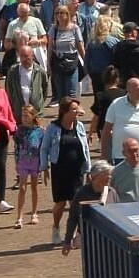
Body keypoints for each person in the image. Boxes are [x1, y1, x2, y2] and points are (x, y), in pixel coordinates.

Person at [43, 99, 92, 246]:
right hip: (60, 169)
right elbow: (44, 148)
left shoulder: (80, 126)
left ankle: (77, 234)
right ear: (65, 111)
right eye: (73, 109)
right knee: (60, 203)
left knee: (76, 203)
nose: (77, 112)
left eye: (77, 109)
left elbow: (86, 149)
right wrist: (44, 167)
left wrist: (88, 169)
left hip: (77, 170)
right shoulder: (53, 127)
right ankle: (56, 227)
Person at [59, 160, 114, 254]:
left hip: (109, 238)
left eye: (110, 174)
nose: (109, 177)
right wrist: (67, 241)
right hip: (89, 239)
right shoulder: (82, 193)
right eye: (106, 174)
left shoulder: (112, 192)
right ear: (95, 177)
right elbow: (73, 218)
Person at [102, 75, 139, 165]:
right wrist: (104, 154)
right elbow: (106, 131)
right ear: (129, 90)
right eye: (138, 89)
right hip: (120, 156)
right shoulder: (116, 105)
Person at [0, 73, 18, 213]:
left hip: (2, 132)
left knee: (1, 166)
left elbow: (8, 110)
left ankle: (2, 200)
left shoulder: (2, 93)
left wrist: (12, 126)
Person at [13, 104, 46, 227]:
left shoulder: (40, 131)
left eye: (27, 116)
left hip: (35, 161)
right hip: (23, 161)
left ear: (33, 116)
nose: (24, 118)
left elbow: (43, 148)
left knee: (34, 187)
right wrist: (16, 162)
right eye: (22, 115)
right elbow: (16, 148)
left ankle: (34, 213)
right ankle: (19, 216)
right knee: (22, 187)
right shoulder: (19, 130)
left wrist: (44, 164)